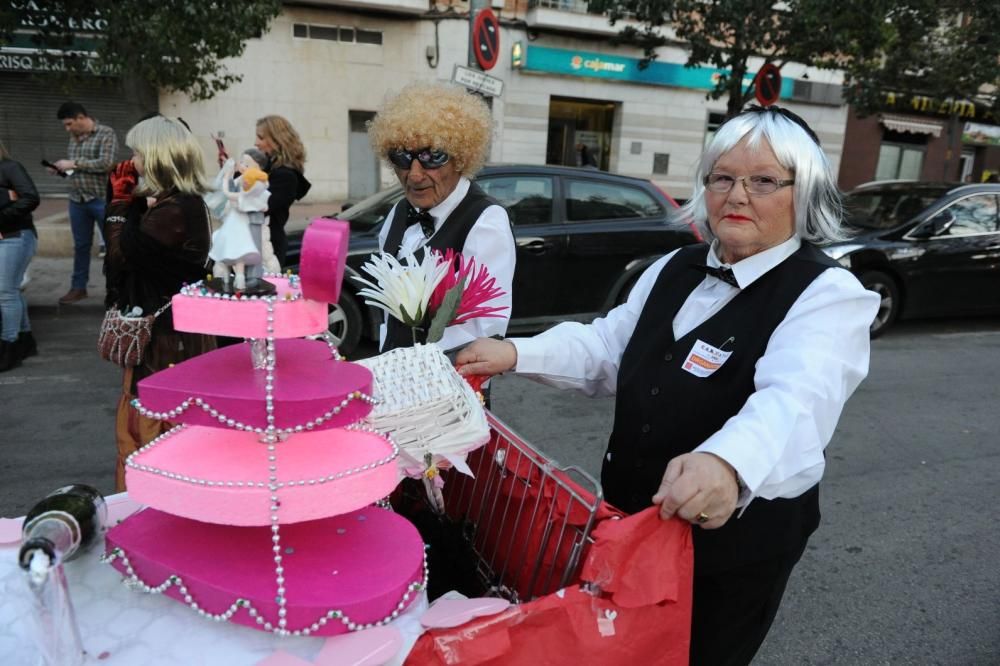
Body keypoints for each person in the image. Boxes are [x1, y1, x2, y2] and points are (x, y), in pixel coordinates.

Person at [457, 105, 879, 665]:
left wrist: (727, 463)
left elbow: (795, 400)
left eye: (763, 181)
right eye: (723, 177)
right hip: (628, 524)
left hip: (732, 552)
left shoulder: (827, 292)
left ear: (803, 195)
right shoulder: (673, 267)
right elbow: (607, 346)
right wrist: (513, 352)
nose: (737, 194)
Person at [103, 116, 216, 491]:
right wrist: (128, 203)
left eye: (137, 151)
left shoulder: (176, 209)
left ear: (156, 156)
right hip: (170, 337)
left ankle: (153, 509)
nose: (131, 160)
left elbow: (121, 258)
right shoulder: (173, 204)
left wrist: (120, 205)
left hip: (168, 343)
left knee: (154, 437)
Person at [367, 81, 516, 353]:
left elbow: (486, 332)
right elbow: (389, 313)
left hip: (450, 387)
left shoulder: (485, 222)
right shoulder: (399, 212)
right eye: (401, 157)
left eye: (432, 156)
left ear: (460, 158)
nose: (413, 174)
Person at [53, 101, 118, 304]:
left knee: (112, 245)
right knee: (81, 246)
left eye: (70, 123)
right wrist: (63, 170)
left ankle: (116, 289)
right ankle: (78, 287)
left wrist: (73, 163)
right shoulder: (74, 137)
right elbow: (77, 169)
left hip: (100, 199)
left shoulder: (106, 133)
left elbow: (107, 163)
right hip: (77, 199)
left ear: (81, 118)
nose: (67, 128)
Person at [0, 139, 40, 372]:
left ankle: (9, 346)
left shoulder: (10, 167)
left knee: (5, 293)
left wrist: (3, 217)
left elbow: (31, 198)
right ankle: (25, 341)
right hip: (10, 236)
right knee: (11, 290)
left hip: (17, 235)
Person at [253, 115, 310, 268]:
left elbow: (257, 207)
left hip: (268, 250)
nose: (256, 143)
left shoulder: (285, 176)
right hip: (259, 245)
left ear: (277, 140)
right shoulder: (271, 169)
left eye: (261, 137)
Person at [207, 149, 269, 290]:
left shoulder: (258, 183)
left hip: (251, 221)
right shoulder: (241, 180)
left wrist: (227, 181)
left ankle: (251, 276)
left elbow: (234, 194)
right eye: (242, 162)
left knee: (248, 248)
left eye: (247, 164)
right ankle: (235, 276)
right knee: (235, 247)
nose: (242, 166)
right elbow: (231, 189)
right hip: (237, 220)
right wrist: (228, 175)